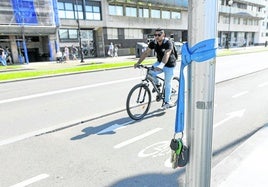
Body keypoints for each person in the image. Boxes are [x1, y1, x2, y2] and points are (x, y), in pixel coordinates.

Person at [134, 28, 177, 109]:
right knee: (150, 72)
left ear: (163, 35)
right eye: (155, 35)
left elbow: (167, 54)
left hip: (169, 64)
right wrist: (138, 63)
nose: (156, 37)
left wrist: (161, 65)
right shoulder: (153, 43)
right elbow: (146, 52)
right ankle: (157, 84)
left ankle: (167, 102)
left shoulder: (168, 42)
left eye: (159, 35)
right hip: (159, 62)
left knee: (168, 83)